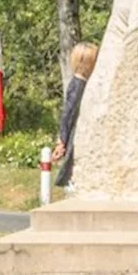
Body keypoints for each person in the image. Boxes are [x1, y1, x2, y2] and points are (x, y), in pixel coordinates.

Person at [53, 41, 99, 189]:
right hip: (76, 134)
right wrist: (63, 140)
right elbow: (69, 112)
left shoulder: (81, 83)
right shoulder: (78, 84)